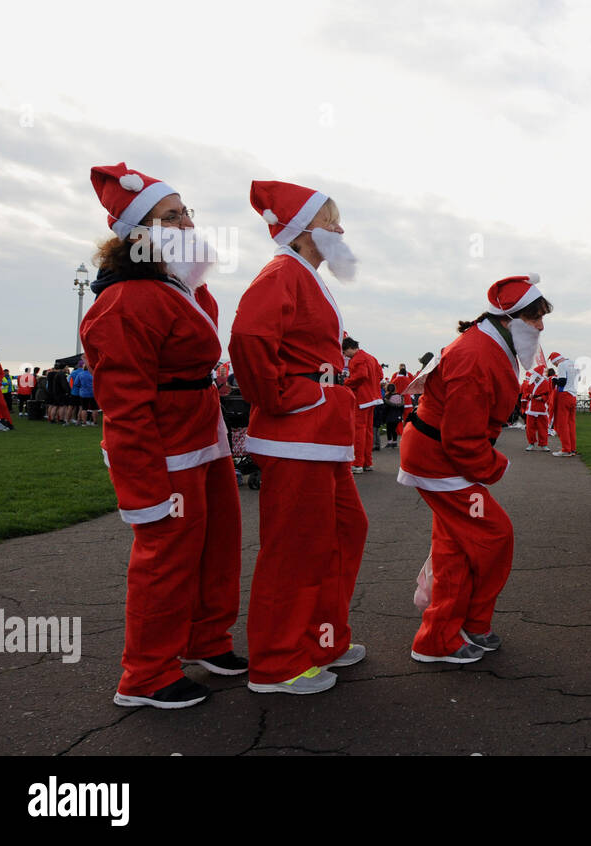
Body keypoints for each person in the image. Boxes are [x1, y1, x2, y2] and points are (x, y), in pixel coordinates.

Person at [79, 162, 244, 708]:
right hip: (166, 448)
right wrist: (143, 488)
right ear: (140, 234)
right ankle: (146, 675)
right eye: (171, 216)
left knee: (217, 547)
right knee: (166, 559)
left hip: (205, 436)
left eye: (185, 212)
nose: (187, 223)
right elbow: (123, 404)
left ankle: (206, 640)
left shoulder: (185, 287)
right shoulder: (126, 300)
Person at [231, 180, 368, 695]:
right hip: (299, 434)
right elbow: (248, 336)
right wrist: (284, 398)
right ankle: (278, 663)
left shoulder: (304, 274)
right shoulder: (284, 270)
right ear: (306, 230)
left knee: (342, 532)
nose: (340, 229)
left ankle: (322, 638)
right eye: (331, 221)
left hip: (320, 433)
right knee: (295, 549)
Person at [398, 275, 551, 663]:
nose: (541, 327)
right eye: (535, 319)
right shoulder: (478, 355)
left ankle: (448, 633)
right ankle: (459, 628)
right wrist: (495, 465)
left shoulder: (485, 345)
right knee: (493, 536)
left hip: (436, 455)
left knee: (455, 547)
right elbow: (462, 439)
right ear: (510, 319)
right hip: (439, 459)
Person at [343, 337, 382, 473]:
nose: (345, 355)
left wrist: (346, 382)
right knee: (368, 431)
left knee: (359, 431)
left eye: (345, 352)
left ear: (349, 348)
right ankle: (367, 462)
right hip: (374, 398)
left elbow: (361, 375)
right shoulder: (371, 357)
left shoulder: (357, 359)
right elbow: (380, 374)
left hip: (362, 399)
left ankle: (357, 463)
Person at [548, 351, 579, 455]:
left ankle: (566, 449)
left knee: (562, 424)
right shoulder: (574, 363)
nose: (555, 366)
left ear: (556, 361)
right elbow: (578, 378)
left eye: (554, 364)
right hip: (573, 395)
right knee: (571, 423)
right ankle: (572, 448)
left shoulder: (562, 365)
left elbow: (562, 382)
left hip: (564, 395)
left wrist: (555, 380)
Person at [524, 368, 553, 451]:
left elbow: (548, 395)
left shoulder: (545, 383)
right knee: (530, 428)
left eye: (535, 376)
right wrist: (528, 395)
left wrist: (542, 397)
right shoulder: (530, 383)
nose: (534, 377)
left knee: (543, 428)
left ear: (539, 376)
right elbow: (525, 393)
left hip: (541, 409)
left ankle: (543, 444)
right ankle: (531, 443)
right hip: (531, 408)